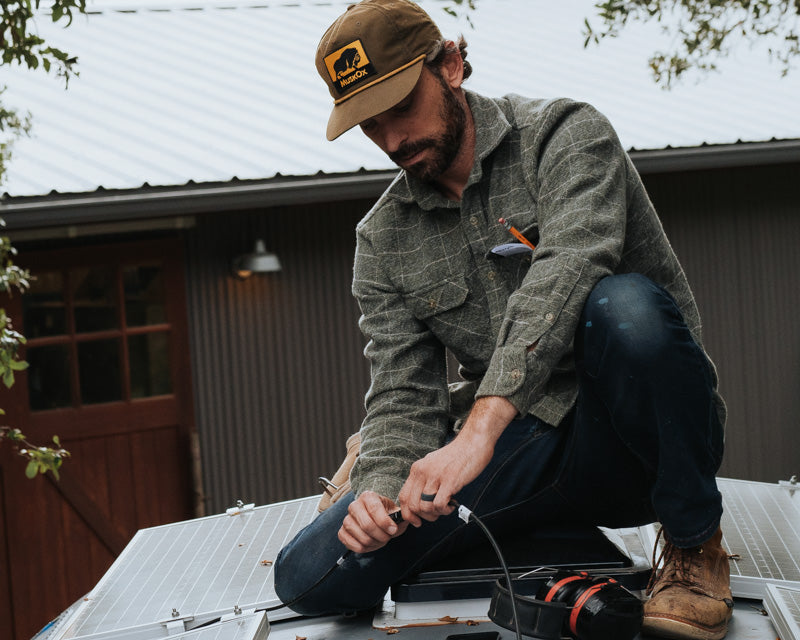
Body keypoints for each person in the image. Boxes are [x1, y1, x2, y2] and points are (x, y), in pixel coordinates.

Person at [274, 1, 733, 638]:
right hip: (521, 455)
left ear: (451, 66)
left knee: (623, 305)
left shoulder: (566, 135)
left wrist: (477, 433)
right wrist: (378, 493)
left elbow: (568, 269)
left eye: (402, 109)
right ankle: (536, 533)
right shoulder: (382, 239)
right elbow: (404, 391)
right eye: (370, 126)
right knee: (310, 575)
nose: (392, 141)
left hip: (634, 446)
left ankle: (692, 544)